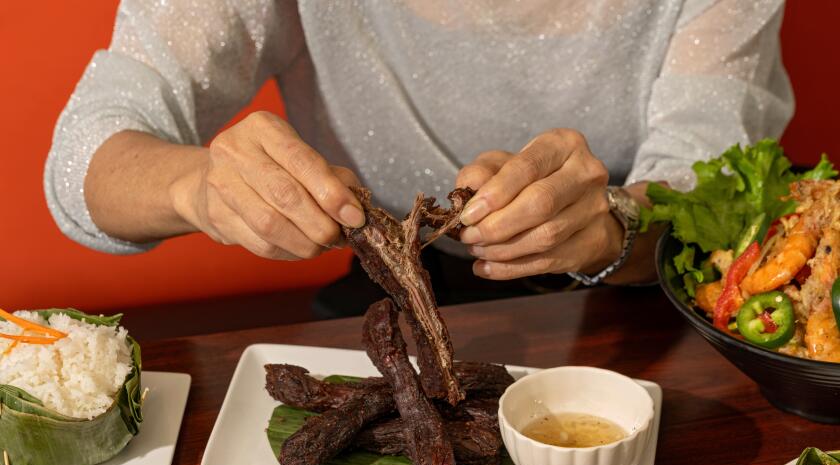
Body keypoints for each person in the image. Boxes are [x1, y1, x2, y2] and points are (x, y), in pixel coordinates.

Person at [45, 0, 792, 310]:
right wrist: (198, 185)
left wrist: (618, 224)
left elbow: (716, 193)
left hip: (638, 307)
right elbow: (85, 161)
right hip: (390, 298)